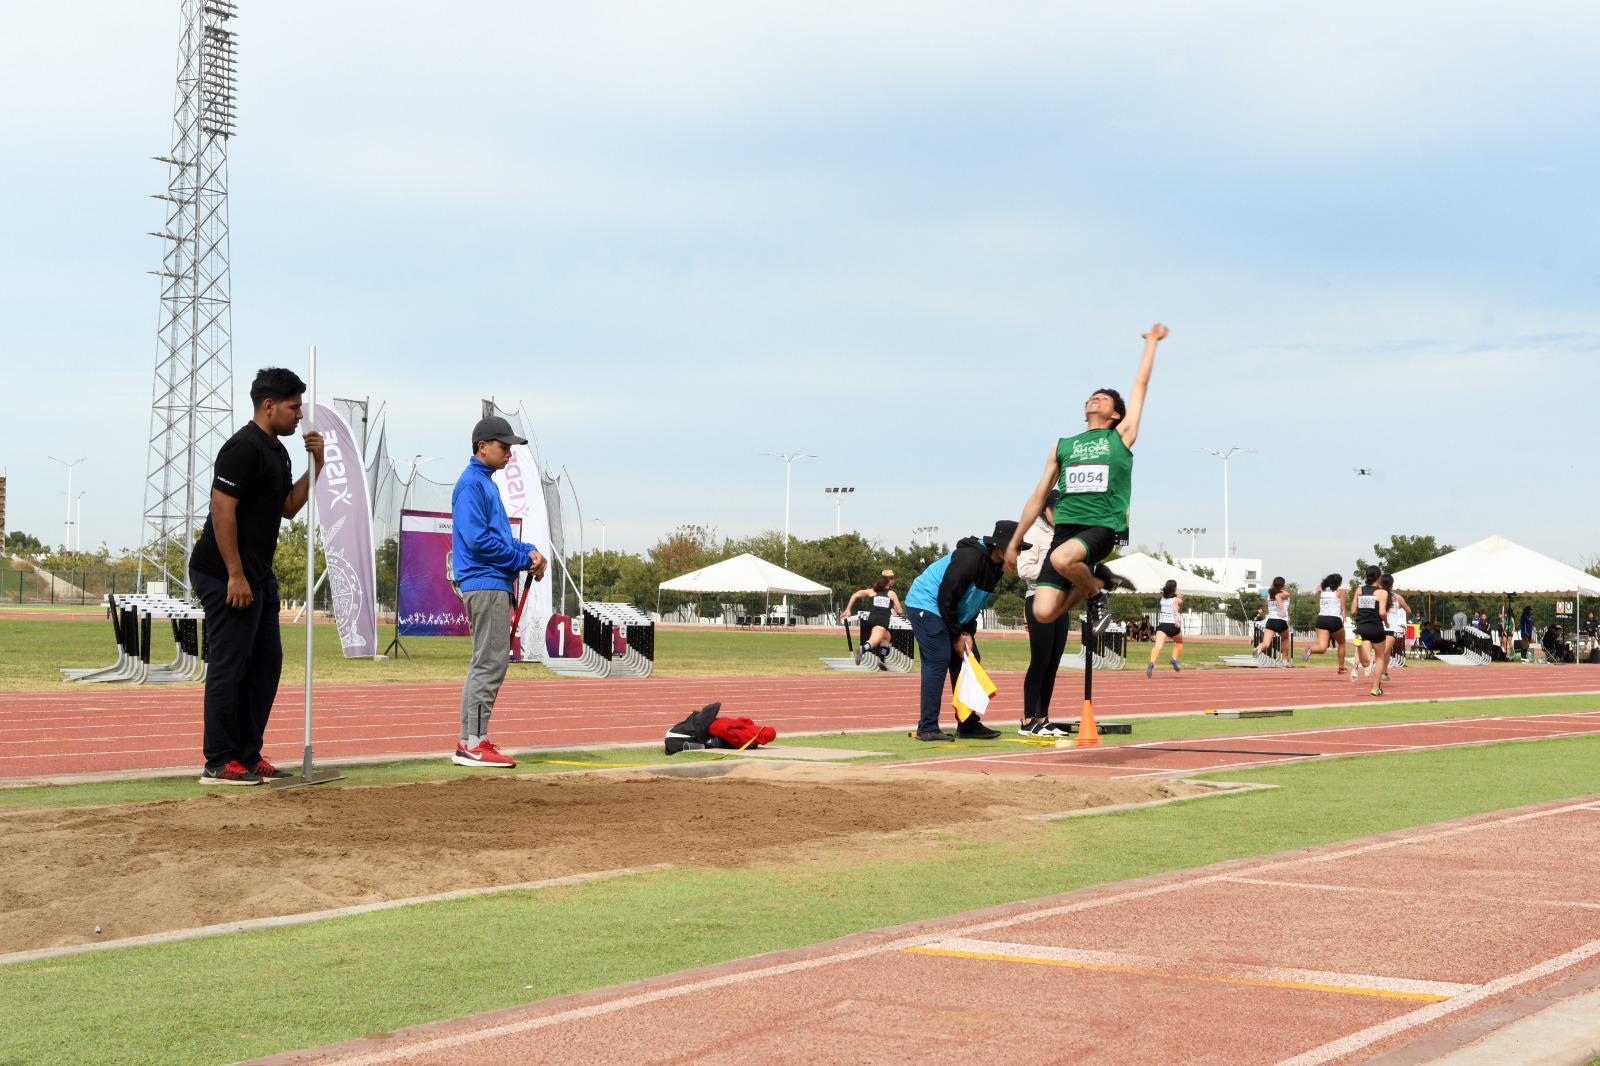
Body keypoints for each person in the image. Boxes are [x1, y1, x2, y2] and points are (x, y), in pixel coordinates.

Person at [189, 367, 324, 785]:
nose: (299, 415)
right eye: (294, 407)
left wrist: (316, 463)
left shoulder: (279, 451)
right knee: (231, 664)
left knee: (266, 665)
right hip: (222, 573)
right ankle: (218, 761)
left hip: (259, 575)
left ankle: (248, 755)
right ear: (269, 405)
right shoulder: (242, 448)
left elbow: (287, 506)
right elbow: (221, 509)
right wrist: (235, 575)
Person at [1005, 324, 1170, 633]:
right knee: (1042, 612)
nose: (1096, 398)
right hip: (1065, 532)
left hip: (1101, 526)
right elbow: (1039, 496)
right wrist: (1015, 541)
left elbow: (1140, 384)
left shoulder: (1120, 437)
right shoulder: (1062, 445)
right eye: (1093, 396)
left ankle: (1095, 596)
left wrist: (1151, 344)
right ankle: (1094, 583)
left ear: (1116, 415)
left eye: (1104, 399)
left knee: (1063, 558)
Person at [451, 415, 547, 768]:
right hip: (485, 583)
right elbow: (479, 542)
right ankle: (472, 743)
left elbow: (499, 540)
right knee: (488, 663)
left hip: (492, 583)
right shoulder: (472, 485)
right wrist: (524, 559)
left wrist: (530, 551)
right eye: (504, 447)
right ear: (482, 447)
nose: (509, 453)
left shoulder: (484, 483)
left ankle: (473, 740)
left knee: (490, 663)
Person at [904, 521, 1020, 742]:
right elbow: (946, 596)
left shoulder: (995, 568)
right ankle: (927, 727)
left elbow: (972, 602)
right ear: (1001, 547)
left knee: (969, 657)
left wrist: (967, 632)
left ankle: (967, 724)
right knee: (939, 658)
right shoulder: (970, 559)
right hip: (926, 604)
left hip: (949, 611)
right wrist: (957, 634)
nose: (1021, 555)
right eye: (1018, 549)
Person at [1016, 497, 1071, 736]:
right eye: (1058, 509)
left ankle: (1044, 717)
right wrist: (1055, 568)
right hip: (1039, 598)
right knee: (1040, 660)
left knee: (1053, 662)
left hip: (1061, 602)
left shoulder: (1065, 533)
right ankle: (1028, 719)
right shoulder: (1032, 533)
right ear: (1045, 510)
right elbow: (1024, 570)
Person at [841, 570, 903, 670]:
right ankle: (862, 650)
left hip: (872, 618)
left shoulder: (872, 591)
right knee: (874, 640)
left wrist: (848, 609)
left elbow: (855, 595)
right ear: (887, 583)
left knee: (887, 637)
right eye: (890, 579)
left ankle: (881, 660)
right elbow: (900, 610)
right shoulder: (891, 593)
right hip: (882, 620)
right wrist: (893, 610)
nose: (892, 581)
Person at [1351, 565, 1390, 696]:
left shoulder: (1359, 590)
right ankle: (1375, 688)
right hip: (1376, 628)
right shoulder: (1382, 592)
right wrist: (1386, 622)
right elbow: (1382, 612)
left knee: (1366, 663)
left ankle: (1359, 646)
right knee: (1379, 658)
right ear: (1379, 577)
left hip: (1361, 627)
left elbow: (1353, 611)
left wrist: (1361, 617)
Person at [1302, 573, 1348, 673]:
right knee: (1341, 643)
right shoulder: (1341, 591)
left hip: (1321, 619)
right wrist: (1345, 619)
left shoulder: (1322, 591)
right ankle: (1341, 667)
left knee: (1322, 648)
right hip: (1334, 620)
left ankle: (1309, 650)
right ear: (1339, 583)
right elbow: (1343, 608)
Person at [1147, 579, 1184, 678]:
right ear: (1175, 588)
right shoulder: (1176, 599)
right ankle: (1174, 658)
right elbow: (1176, 608)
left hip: (1162, 625)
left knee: (1158, 646)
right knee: (1179, 642)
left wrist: (1176, 595)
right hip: (1173, 625)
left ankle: (1151, 663)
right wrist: (1178, 620)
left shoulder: (1162, 599)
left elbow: (1172, 599)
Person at [1254, 576, 1291, 664]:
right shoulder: (1285, 593)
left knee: (1266, 643)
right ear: (1283, 585)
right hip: (1281, 621)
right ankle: (1285, 661)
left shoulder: (1269, 595)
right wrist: (1282, 610)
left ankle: (1258, 648)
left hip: (1270, 621)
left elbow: (1267, 606)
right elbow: (1278, 596)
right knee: (1285, 638)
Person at [1380, 574, 1411, 678]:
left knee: (1387, 651)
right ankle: (1373, 663)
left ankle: (1384, 672)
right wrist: (1401, 617)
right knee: (1384, 651)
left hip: (1378, 626)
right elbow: (1408, 610)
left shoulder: (1377, 596)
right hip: (1391, 628)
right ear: (1392, 584)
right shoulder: (1397, 597)